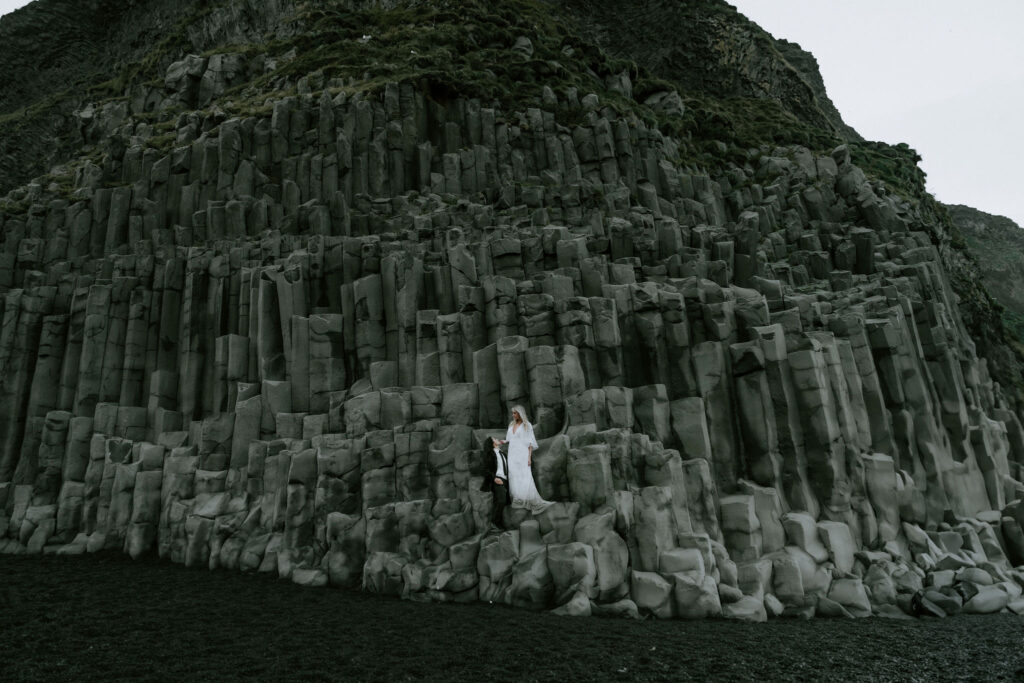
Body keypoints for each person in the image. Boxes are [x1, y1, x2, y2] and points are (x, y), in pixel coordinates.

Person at [498, 405, 553, 514]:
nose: (513, 415)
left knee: (525, 475)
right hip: (512, 454)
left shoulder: (527, 425)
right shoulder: (511, 425)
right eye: (512, 413)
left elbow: (530, 443)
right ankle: (518, 499)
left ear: (520, 413)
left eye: (515, 413)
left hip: (522, 453)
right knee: (513, 475)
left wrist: (529, 457)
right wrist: (500, 442)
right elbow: (509, 439)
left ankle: (529, 499)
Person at [479, 436, 510, 530]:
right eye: (494, 439)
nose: (497, 439)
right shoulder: (490, 454)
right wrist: (494, 478)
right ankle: (494, 522)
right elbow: (484, 469)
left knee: (504, 501)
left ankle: (498, 523)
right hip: (497, 479)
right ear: (492, 443)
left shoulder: (503, 454)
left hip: (506, 479)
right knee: (501, 500)